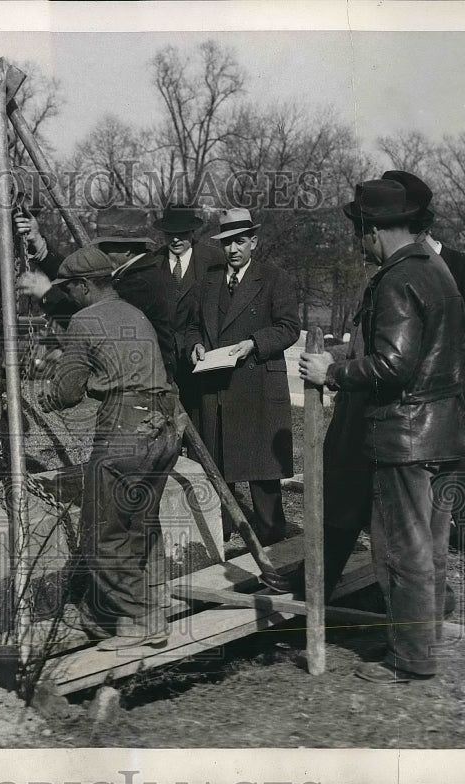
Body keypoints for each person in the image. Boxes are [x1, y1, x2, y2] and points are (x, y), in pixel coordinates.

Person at [299, 179, 465, 684]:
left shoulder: (395, 279)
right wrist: (346, 357)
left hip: (403, 437)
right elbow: (433, 355)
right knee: (430, 546)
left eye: (359, 230)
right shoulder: (435, 269)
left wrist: (329, 374)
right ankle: (425, 638)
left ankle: (411, 659)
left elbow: (394, 366)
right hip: (442, 432)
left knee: (400, 550)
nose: (357, 242)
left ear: (374, 230)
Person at [39, 245, 180, 650]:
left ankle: (137, 622)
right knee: (140, 524)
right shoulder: (134, 313)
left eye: (70, 289)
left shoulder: (84, 321)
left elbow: (68, 393)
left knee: (104, 530)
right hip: (165, 423)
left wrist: (49, 395)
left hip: (126, 425)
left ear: (84, 286)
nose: (68, 296)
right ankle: (148, 607)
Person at [381, 170, 465, 555]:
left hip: (447, 384)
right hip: (404, 387)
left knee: (449, 458)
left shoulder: (463, 267)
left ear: (419, 226)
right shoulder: (396, 269)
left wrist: (457, 375)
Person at [185, 208, 301, 546]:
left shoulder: (274, 278)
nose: (233, 250)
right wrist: (194, 345)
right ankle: (219, 538)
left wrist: (255, 343)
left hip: (257, 388)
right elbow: (193, 326)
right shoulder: (208, 281)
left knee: (261, 472)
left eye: (239, 242)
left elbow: (289, 327)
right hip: (215, 388)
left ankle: (273, 546)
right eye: (227, 244)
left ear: (254, 242)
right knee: (217, 468)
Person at [15, 206, 178, 380]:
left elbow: (92, 321)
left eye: (105, 246)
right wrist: (39, 244)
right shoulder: (133, 273)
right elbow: (80, 276)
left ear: (127, 249)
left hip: (147, 386)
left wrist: (48, 294)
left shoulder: (141, 283)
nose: (99, 252)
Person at [149, 204, 224, 425]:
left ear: (192, 232)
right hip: (162, 359)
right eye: (170, 234)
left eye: (181, 234)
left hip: (200, 355)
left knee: (199, 420)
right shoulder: (153, 262)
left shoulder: (214, 259)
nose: (175, 240)